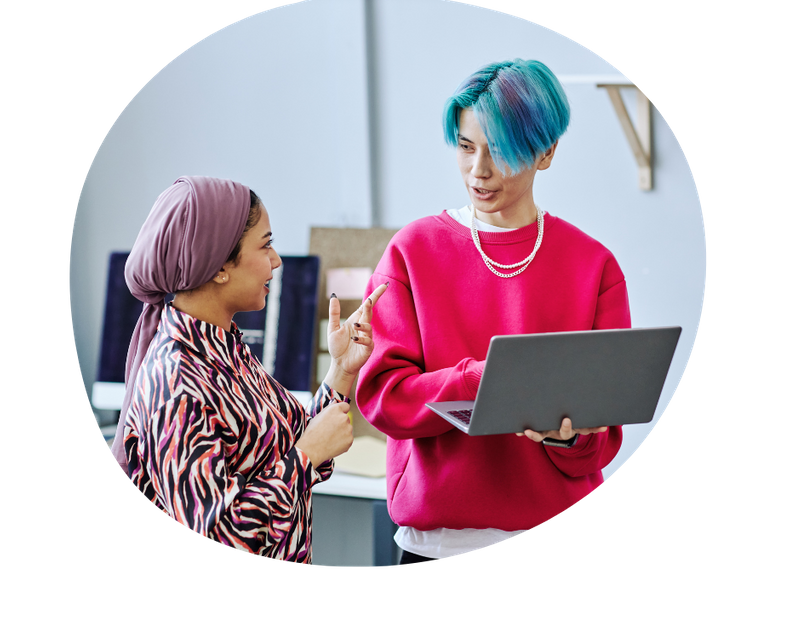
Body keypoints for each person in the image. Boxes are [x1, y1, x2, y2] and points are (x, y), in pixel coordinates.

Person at [356, 59, 631, 565]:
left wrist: (567, 441)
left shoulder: (594, 266)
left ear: (545, 152)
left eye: (500, 151)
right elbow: (385, 401)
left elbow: (602, 443)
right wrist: (482, 380)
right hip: (437, 547)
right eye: (465, 147)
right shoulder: (411, 252)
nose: (478, 170)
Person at [108, 176, 387, 564]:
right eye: (266, 244)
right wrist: (307, 456)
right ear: (220, 264)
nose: (277, 261)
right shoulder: (176, 382)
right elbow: (219, 534)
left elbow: (284, 452)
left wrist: (340, 370)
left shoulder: (224, 346)